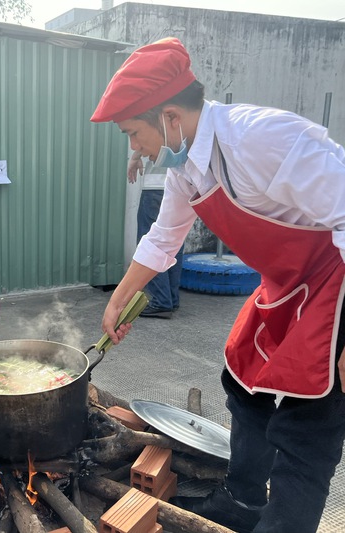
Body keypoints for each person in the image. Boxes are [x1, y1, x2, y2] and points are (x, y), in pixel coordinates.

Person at [91, 37, 345, 533]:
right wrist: (120, 299)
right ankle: (244, 500)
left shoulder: (262, 139)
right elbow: (164, 239)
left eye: (131, 132)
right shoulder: (187, 167)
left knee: (306, 419)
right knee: (241, 377)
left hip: (335, 279)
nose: (133, 147)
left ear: (167, 116)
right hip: (286, 283)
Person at [128, 151, 183, 318]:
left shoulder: (165, 125)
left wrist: (136, 156)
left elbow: (158, 132)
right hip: (182, 186)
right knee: (174, 243)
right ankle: (171, 298)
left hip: (157, 186)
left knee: (152, 244)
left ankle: (161, 301)